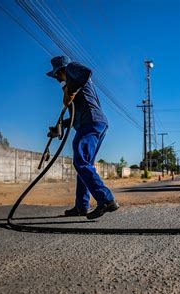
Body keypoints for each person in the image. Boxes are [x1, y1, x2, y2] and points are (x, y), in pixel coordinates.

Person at [46, 56, 119, 219]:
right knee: (84, 165)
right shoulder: (73, 87)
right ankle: (81, 206)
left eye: (57, 75)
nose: (57, 79)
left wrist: (70, 91)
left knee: (80, 162)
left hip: (91, 122)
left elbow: (87, 71)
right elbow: (73, 117)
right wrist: (59, 127)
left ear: (61, 70)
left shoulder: (72, 69)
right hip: (94, 122)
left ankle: (106, 200)